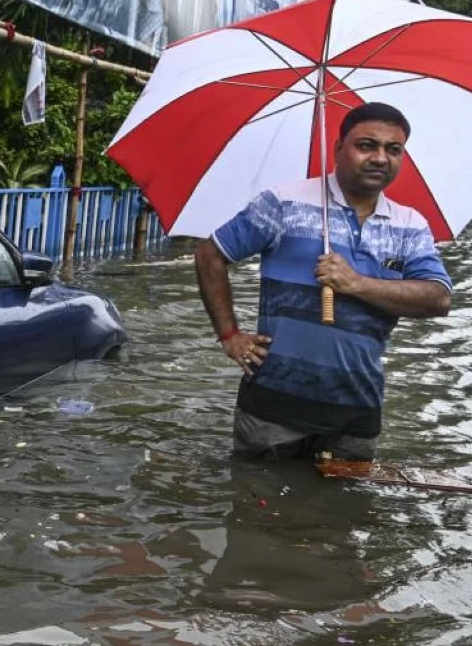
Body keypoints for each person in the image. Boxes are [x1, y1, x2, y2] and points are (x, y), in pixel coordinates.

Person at [193, 102, 452, 462]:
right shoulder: (284, 203)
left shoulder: (409, 225)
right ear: (338, 149)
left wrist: (356, 283)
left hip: (356, 410)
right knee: (258, 508)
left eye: (393, 150)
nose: (380, 158)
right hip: (273, 407)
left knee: (341, 514)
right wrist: (229, 335)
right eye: (367, 145)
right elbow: (210, 254)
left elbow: (437, 298)